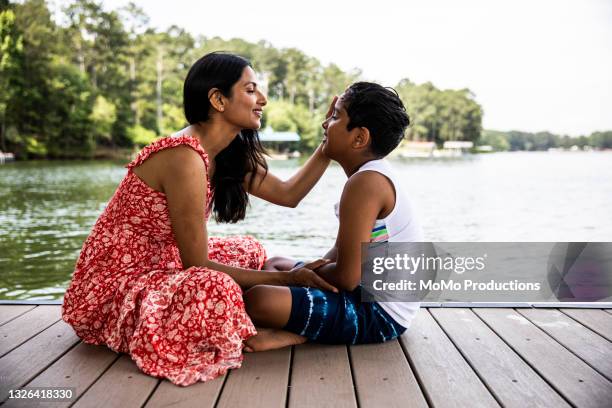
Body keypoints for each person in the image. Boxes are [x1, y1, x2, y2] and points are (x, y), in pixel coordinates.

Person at [61, 52, 337, 386]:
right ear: (218, 99)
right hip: (111, 287)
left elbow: (289, 194)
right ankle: (255, 328)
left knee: (247, 250)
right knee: (214, 284)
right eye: (251, 90)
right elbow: (198, 263)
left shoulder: (226, 151)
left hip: (162, 263)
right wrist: (290, 279)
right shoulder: (184, 155)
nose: (262, 100)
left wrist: (328, 144)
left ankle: (251, 318)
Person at [243, 82, 423, 351]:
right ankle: (302, 325)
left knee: (258, 299)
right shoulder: (368, 175)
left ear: (359, 138)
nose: (326, 124)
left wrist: (305, 275)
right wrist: (302, 272)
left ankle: (302, 332)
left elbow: (347, 277)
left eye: (336, 116)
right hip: (360, 290)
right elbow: (340, 252)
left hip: (380, 315)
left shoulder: (366, 184)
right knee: (276, 264)